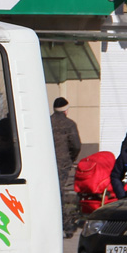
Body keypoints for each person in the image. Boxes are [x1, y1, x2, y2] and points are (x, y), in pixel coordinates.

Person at [51, 97, 82, 236]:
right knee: (59, 194)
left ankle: (54, 224)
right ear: (66, 110)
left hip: (46, 163)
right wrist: (71, 159)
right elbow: (76, 145)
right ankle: (67, 225)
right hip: (62, 163)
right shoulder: (70, 124)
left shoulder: (46, 122)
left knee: (51, 193)